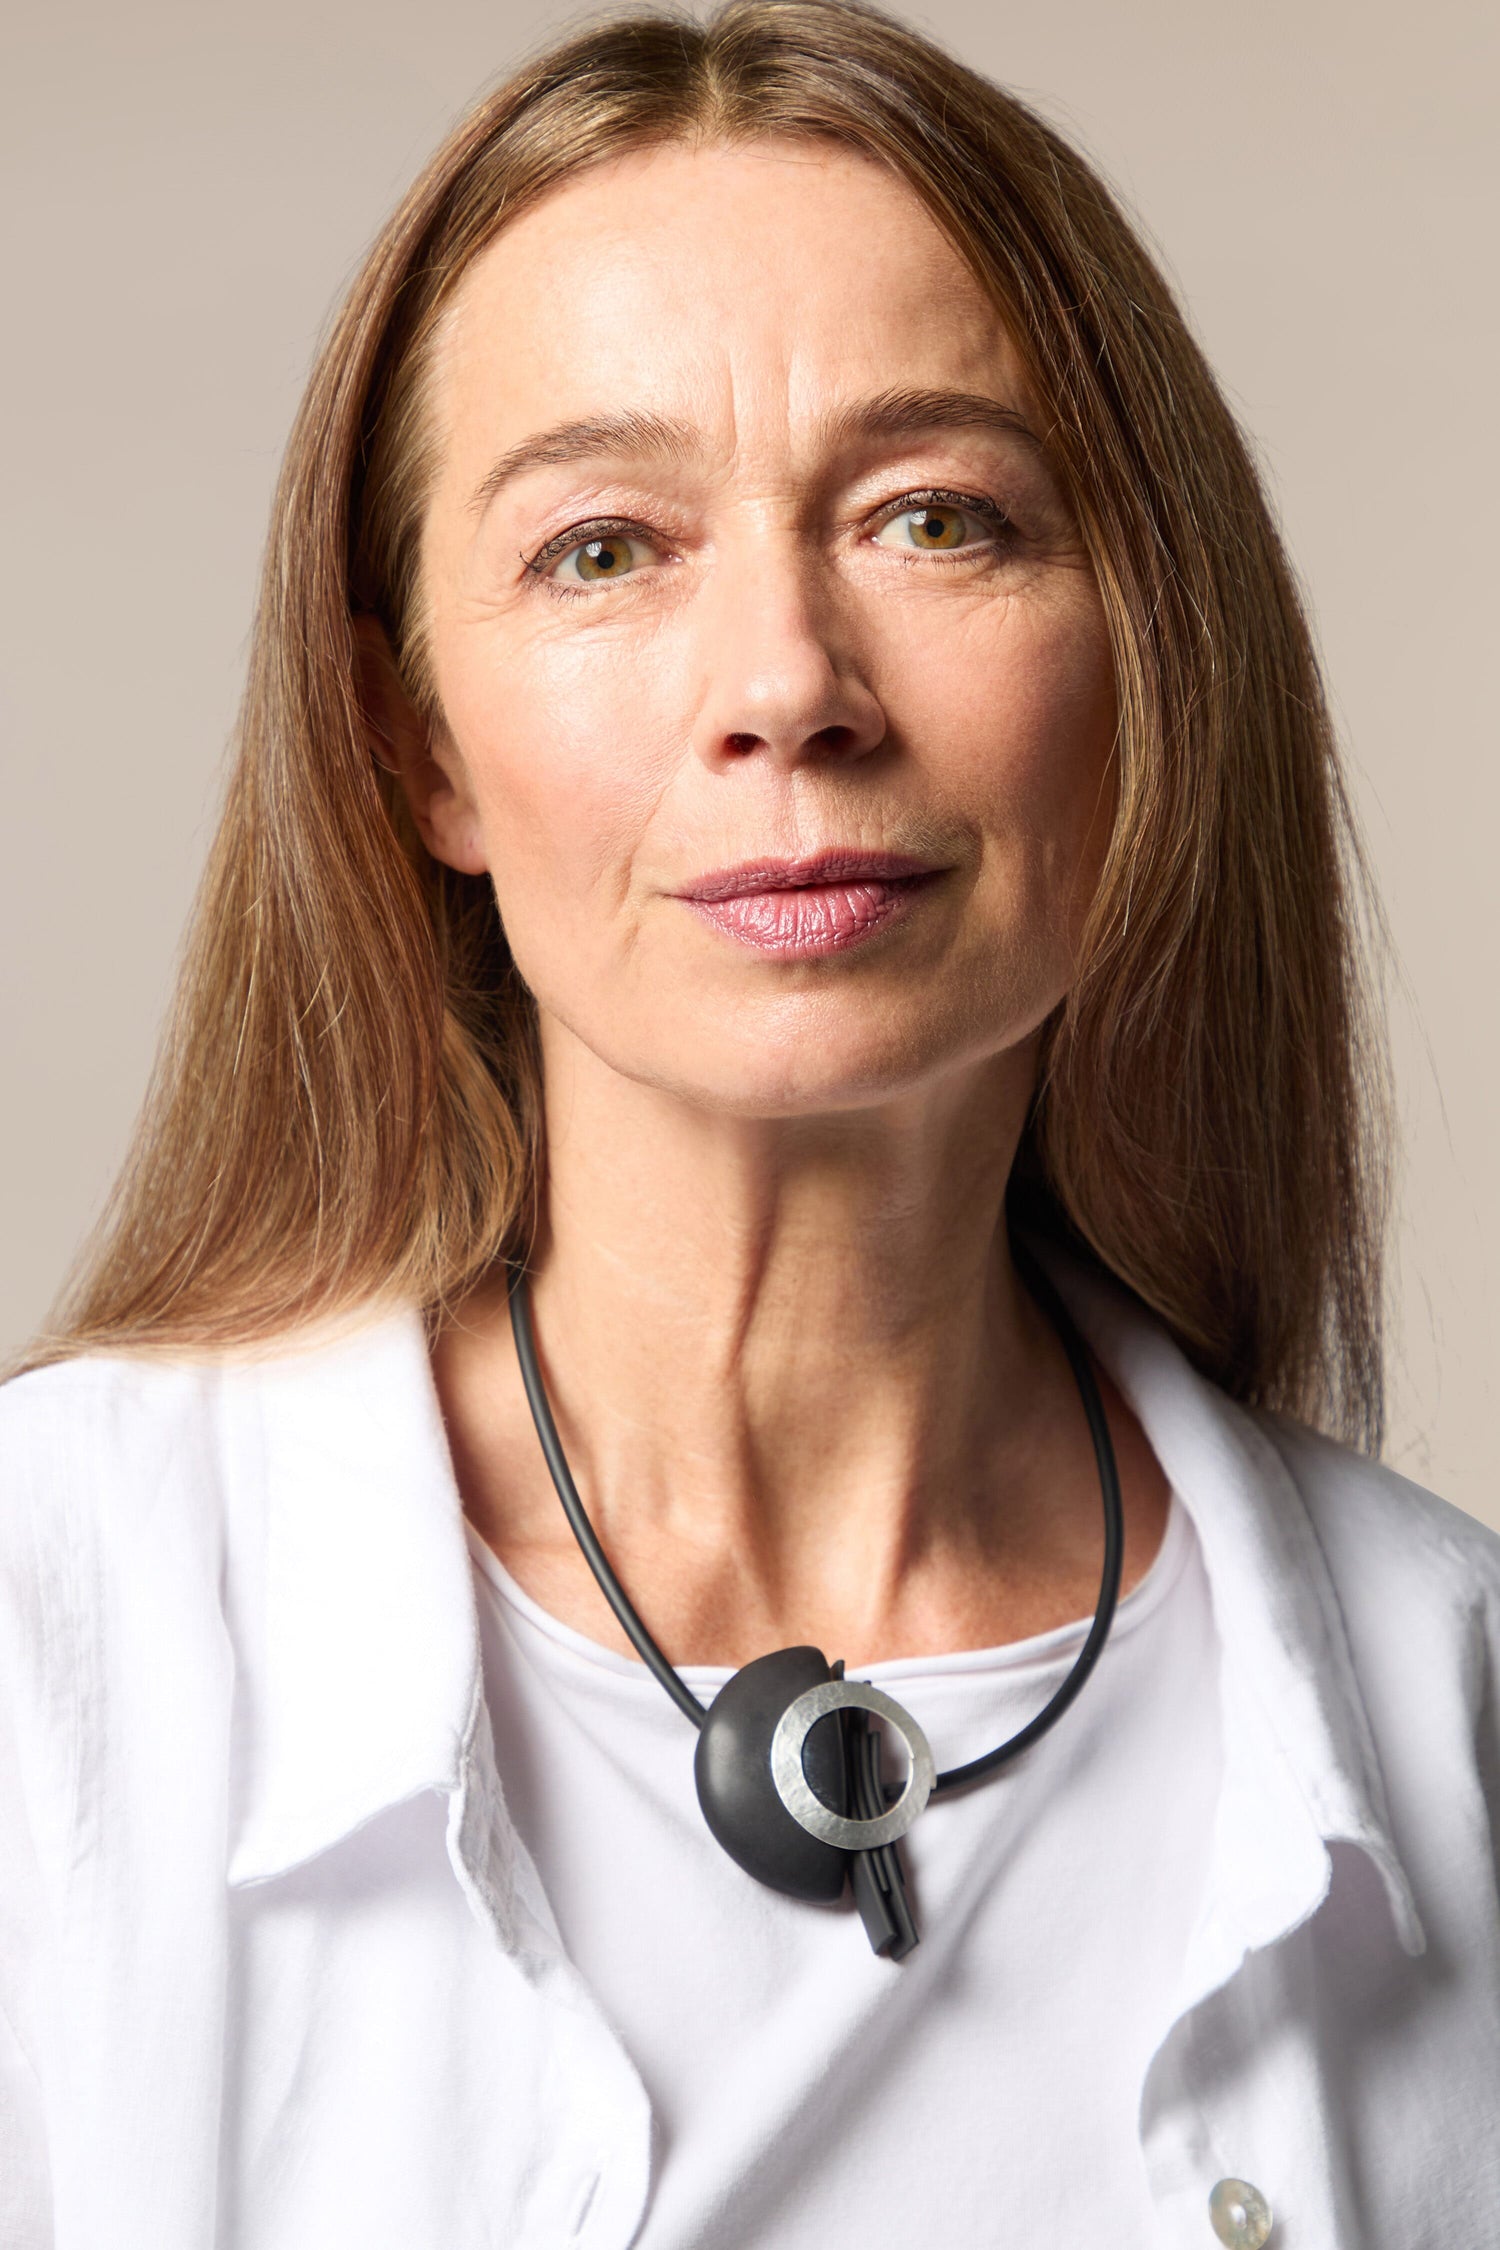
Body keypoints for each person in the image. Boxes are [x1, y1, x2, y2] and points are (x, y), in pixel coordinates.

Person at [2, 3, 1497, 2244]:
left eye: (935, 515)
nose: (787, 683)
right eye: (604, 549)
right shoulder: (54, 1631)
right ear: (418, 749)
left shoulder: (1459, 1698)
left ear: (1151, 659)